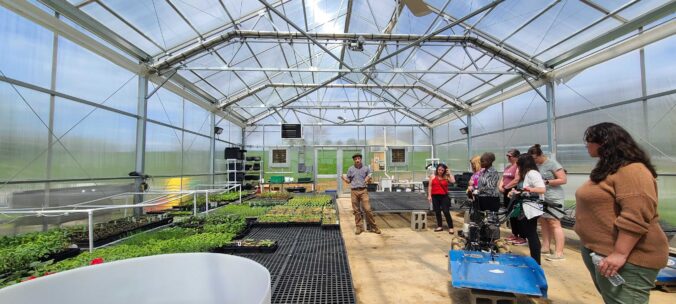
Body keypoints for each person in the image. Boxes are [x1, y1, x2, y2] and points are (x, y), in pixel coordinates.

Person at [575, 122, 668, 304]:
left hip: (629, 258)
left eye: (589, 141)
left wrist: (619, 253)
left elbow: (636, 214)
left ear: (605, 142)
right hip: (601, 253)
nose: (587, 145)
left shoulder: (633, 170)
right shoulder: (610, 170)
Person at [528, 144, 567, 261]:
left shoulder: (553, 164)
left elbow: (563, 179)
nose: (534, 161)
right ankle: (545, 247)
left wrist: (547, 182)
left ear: (540, 155)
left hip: (554, 197)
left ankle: (559, 252)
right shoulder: (536, 166)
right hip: (542, 197)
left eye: (535, 158)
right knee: (544, 221)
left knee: (554, 222)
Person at [509, 154, 546, 265]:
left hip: (532, 208)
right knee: (530, 233)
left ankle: (536, 262)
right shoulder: (527, 174)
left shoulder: (532, 173)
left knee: (531, 234)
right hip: (527, 207)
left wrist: (529, 189)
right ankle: (535, 260)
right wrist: (518, 192)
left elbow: (542, 189)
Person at [342, 153, 381, 235]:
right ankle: (359, 227)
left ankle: (374, 227)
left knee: (367, 209)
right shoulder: (351, 169)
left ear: (361, 159)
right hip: (354, 191)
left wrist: (368, 178)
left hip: (363, 191)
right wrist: (344, 179)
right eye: (355, 159)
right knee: (356, 211)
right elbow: (349, 180)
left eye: (358, 159)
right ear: (354, 160)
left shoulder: (366, 168)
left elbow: (370, 175)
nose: (357, 160)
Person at [499, 149, 526, 245]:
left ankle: (522, 236)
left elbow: (516, 179)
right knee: (510, 213)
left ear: (516, 157)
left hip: (513, 191)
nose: (508, 158)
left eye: (510, 156)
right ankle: (514, 234)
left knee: (516, 213)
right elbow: (503, 177)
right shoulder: (508, 167)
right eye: (507, 156)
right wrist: (501, 186)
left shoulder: (518, 167)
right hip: (506, 192)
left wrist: (507, 187)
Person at [427, 164, 456, 233]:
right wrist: (429, 196)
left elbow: (453, 181)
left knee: (446, 211)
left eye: (442, 170)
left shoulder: (446, 176)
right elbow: (430, 186)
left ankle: (451, 227)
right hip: (435, 196)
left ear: (444, 171)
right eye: (439, 169)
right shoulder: (433, 176)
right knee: (437, 211)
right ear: (437, 169)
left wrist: (449, 173)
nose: (440, 171)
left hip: (444, 196)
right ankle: (440, 226)